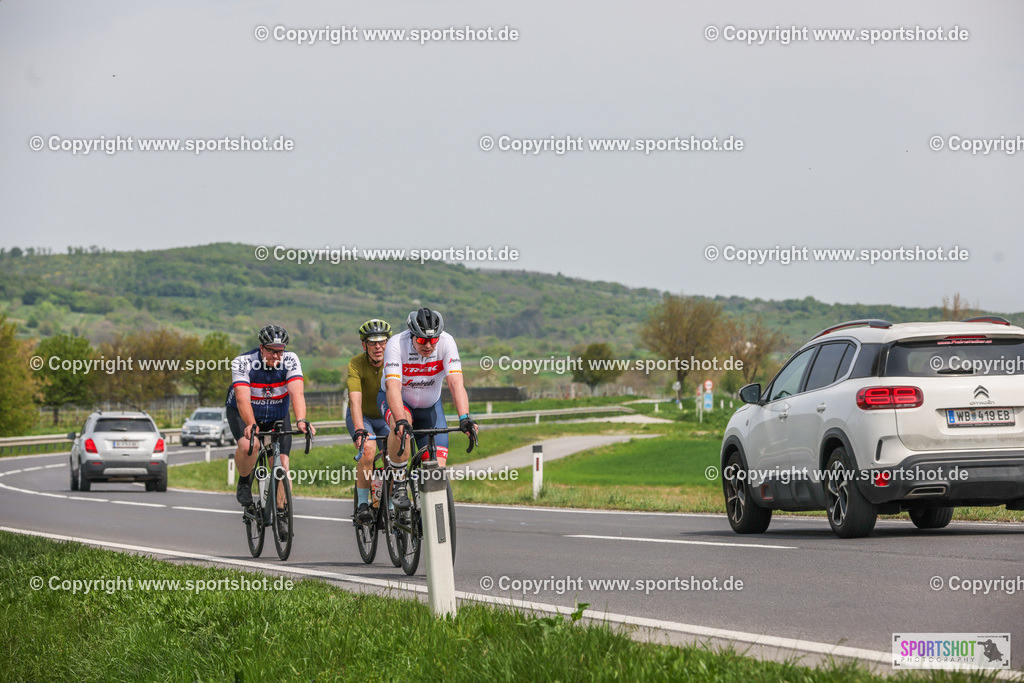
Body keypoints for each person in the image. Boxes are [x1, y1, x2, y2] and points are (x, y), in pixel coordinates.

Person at [379, 307, 477, 510]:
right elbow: (393, 387)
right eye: (423, 340)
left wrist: (464, 418)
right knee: (402, 433)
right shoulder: (396, 344)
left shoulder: (447, 342)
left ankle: (427, 513)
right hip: (399, 402)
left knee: (437, 474)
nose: (429, 346)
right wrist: (401, 421)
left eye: (433, 340)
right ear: (412, 335)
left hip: (430, 407)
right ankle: (398, 483)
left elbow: (455, 383)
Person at [227, 324, 315, 540]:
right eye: (271, 350)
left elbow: (297, 394)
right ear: (261, 348)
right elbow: (242, 398)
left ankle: (282, 513)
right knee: (251, 445)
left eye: (280, 350)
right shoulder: (244, 362)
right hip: (245, 411)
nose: (276, 355)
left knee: (283, 465)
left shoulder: (291, 360)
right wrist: (251, 423)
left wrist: (302, 420)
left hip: (277, 412)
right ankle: (245, 480)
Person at [346, 319, 392, 524]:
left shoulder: (394, 362)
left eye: (382, 341)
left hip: (384, 416)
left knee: (396, 454)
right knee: (368, 450)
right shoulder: (356, 364)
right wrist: (359, 430)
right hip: (361, 416)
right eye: (372, 342)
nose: (378, 346)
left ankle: (391, 504)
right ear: (364, 345)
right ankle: (362, 505)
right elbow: (355, 401)